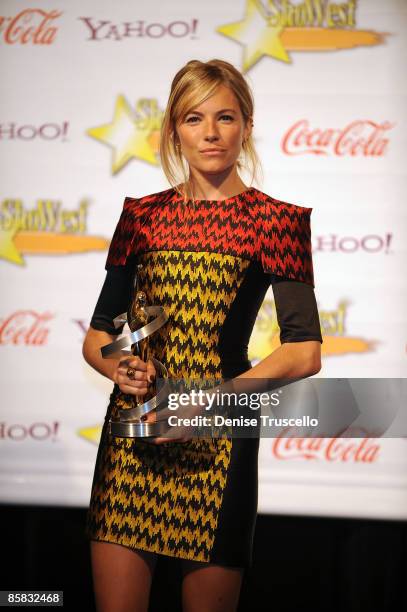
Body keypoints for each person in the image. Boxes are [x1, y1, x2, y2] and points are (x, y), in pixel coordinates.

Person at [82, 58, 323, 612]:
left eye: (225, 117)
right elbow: (100, 337)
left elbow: (305, 351)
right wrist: (118, 365)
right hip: (134, 440)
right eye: (194, 119)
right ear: (173, 128)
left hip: (217, 440)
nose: (210, 134)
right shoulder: (141, 217)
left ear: (247, 124)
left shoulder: (275, 222)